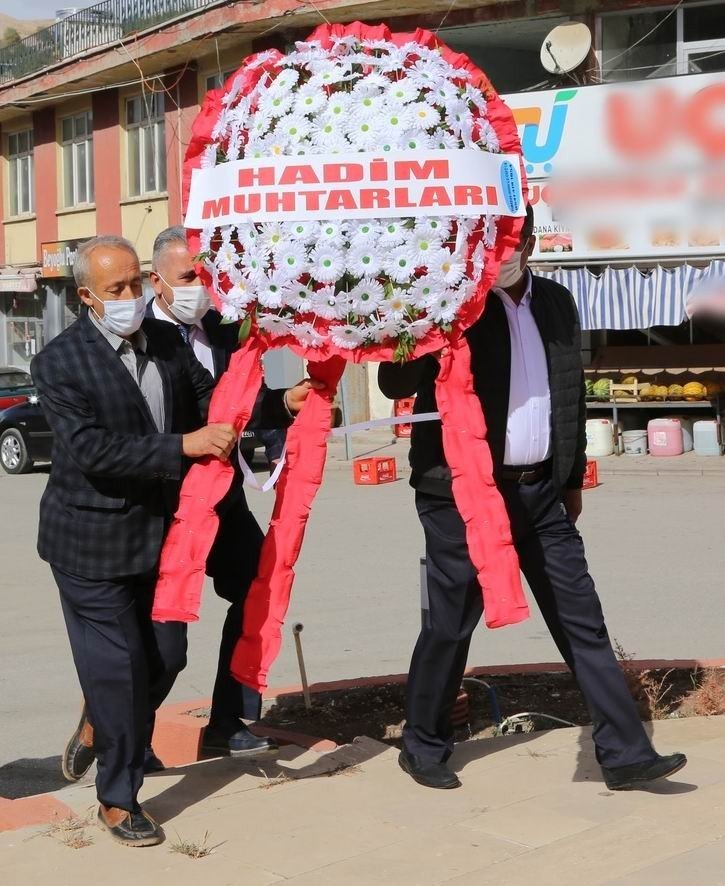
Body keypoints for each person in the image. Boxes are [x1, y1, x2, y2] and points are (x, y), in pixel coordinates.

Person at [378, 205, 686, 792]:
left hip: (541, 491)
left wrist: (570, 480)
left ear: (531, 244)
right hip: (463, 494)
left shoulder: (556, 305)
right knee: (451, 620)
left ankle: (623, 753)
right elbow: (395, 384)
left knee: (582, 619)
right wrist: (414, 315)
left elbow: (570, 396)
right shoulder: (451, 305)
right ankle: (422, 743)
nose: (505, 251)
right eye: (493, 239)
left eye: (514, 239)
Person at [32, 236, 315, 846]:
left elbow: (217, 404)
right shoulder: (59, 362)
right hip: (92, 544)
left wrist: (280, 404)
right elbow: (91, 450)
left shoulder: (164, 342)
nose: (133, 296)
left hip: (165, 537)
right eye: (117, 289)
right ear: (87, 297)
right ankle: (118, 796)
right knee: (122, 668)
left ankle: (102, 728)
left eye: (137, 283)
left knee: (166, 656)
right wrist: (181, 447)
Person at [146, 226, 295, 756]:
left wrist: (285, 406)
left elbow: (243, 405)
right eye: (188, 277)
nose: (199, 288)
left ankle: (227, 722)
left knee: (257, 589)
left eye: (206, 276)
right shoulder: (133, 336)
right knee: (166, 641)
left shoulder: (225, 329)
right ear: (156, 279)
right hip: (161, 506)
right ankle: (121, 728)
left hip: (223, 495)